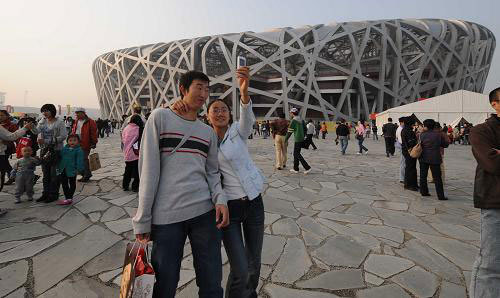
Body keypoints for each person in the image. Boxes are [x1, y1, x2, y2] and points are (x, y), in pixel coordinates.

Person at [133, 70, 229, 298]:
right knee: (164, 284)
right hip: (167, 218)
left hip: (204, 214)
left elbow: (212, 172)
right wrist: (143, 218)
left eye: (207, 89)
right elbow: (148, 170)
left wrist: (220, 199)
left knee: (212, 282)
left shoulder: (207, 132)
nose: (203, 93)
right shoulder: (161, 118)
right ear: (183, 89)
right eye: (198, 87)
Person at [173, 66, 264, 298]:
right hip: (229, 207)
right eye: (215, 110)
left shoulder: (238, 132)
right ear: (208, 115)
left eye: (224, 109)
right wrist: (174, 106)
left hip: (253, 202)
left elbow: (247, 118)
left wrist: (244, 92)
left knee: (254, 265)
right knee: (241, 268)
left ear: (230, 115)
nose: (220, 113)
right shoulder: (204, 136)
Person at [469, 87, 500, 298]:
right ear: (494, 104)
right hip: (495, 203)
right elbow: (493, 164)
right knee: (491, 263)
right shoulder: (481, 131)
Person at [35, 104, 68, 203]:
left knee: (54, 174)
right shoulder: (42, 121)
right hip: (44, 150)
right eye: (43, 111)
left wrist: (49, 140)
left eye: (47, 110)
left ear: (52, 111)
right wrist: (38, 138)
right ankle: (45, 193)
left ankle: (53, 194)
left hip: (56, 151)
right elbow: (37, 132)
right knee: (46, 174)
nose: (44, 113)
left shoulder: (59, 122)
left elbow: (63, 136)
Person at [418, 119, 449, 200]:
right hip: (435, 157)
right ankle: (440, 195)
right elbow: (445, 144)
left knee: (423, 176)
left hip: (423, 157)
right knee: (437, 178)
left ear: (426, 126)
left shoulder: (422, 135)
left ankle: (424, 192)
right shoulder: (438, 135)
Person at [56, 134, 84, 205]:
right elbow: (60, 158)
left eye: (75, 140)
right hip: (63, 169)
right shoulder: (64, 149)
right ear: (67, 141)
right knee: (64, 184)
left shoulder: (79, 150)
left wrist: (79, 169)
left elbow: (80, 161)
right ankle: (67, 197)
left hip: (72, 170)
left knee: (72, 183)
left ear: (78, 141)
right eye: (70, 140)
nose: (72, 142)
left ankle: (69, 197)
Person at [72, 107, 98, 182]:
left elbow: (94, 133)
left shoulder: (90, 121)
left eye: (78, 113)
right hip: (76, 143)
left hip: (86, 143)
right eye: (76, 113)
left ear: (83, 113)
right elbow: (74, 131)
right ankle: (85, 174)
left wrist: (94, 142)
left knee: (83, 159)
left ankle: (86, 175)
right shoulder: (76, 121)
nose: (76, 114)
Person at [285, 108, 311, 174]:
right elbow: (305, 129)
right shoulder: (301, 120)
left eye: (290, 113)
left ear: (292, 113)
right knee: (295, 154)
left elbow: (289, 132)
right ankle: (296, 169)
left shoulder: (293, 120)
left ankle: (307, 167)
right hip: (301, 138)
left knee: (296, 154)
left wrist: (285, 140)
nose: (290, 114)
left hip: (297, 139)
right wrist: (303, 135)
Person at [121, 114, 143, 192]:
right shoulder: (138, 129)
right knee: (137, 171)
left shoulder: (126, 128)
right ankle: (135, 187)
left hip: (127, 152)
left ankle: (125, 185)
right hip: (136, 153)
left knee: (127, 170)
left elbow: (123, 140)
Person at [0, 110, 18, 183]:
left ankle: (12, 176)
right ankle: (12, 176)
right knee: (5, 162)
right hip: (1, 147)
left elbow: (14, 136)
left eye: (2, 115)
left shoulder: (11, 125)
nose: (0, 117)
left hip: (7, 147)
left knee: (5, 162)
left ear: (7, 116)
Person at [401, 117, 419, 191]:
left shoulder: (405, 130)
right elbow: (411, 142)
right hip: (410, 151)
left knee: (410, 167)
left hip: (406, 151)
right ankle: (410, 185)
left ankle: (412, 184)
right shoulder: (409, 131)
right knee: (411, 168)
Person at [396, 117, 406, 183]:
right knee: (403, 163)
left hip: (400, 146)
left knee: (403, 162)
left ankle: (402, 177)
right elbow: (400, 139)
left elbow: (396, 136)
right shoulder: (401, 129)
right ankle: (402, 178)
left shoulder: (399, 128)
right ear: (401, 122)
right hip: (402, 146)